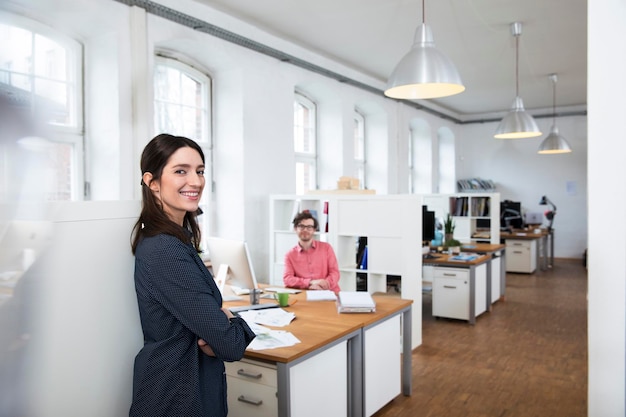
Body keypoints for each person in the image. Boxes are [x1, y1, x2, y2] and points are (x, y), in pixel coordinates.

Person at [129, 134, 255, 417]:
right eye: (180, 171)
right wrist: (232, 321)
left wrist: (219, 321)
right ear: (152, 182)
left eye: (199, 171)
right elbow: (231, 344)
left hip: (186, 386)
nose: (196, 181)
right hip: (175, 394)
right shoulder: (165, 250)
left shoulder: (177, 240)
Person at [283, 211, 341, 292]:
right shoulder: (290, 255)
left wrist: (324, 284)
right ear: (295, 229)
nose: (305, 230)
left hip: (329, 292)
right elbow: (287, 279)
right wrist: (310, 282)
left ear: (314, 230)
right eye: (301, 226)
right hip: (305, 294)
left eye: (309, 227)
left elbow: (335, 273)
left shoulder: (326, 248)